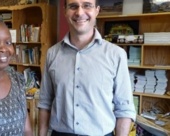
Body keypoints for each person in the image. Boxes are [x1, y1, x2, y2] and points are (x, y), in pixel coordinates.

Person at [38, 0, 136, 136]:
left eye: (87, 5)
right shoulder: (52, 54)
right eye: (73, 6)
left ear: (97, 10)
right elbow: (45, 103)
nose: (79, 12)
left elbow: (124, 109)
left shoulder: (116, 55)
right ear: (65, 11)